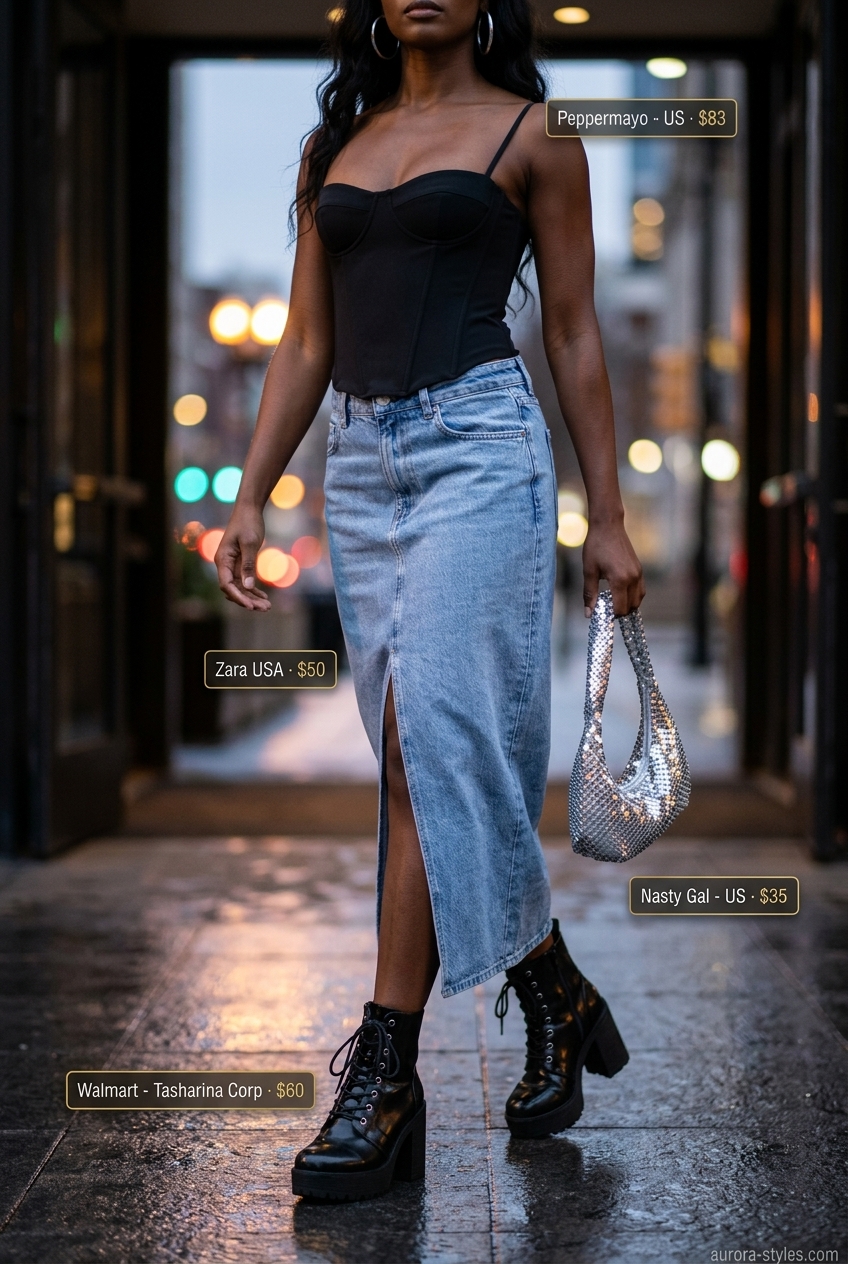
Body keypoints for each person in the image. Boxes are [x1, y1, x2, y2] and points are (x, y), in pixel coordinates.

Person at [215, 0, 644, 1204]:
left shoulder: (535, 132)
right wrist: (250, 494)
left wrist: (607, 514)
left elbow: (572, 332)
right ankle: (553, 989)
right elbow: (304, 342)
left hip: (481, 447)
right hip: (359, 470)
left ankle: (386, 1075)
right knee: (417, 761)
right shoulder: (334, 143)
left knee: (427, 734)